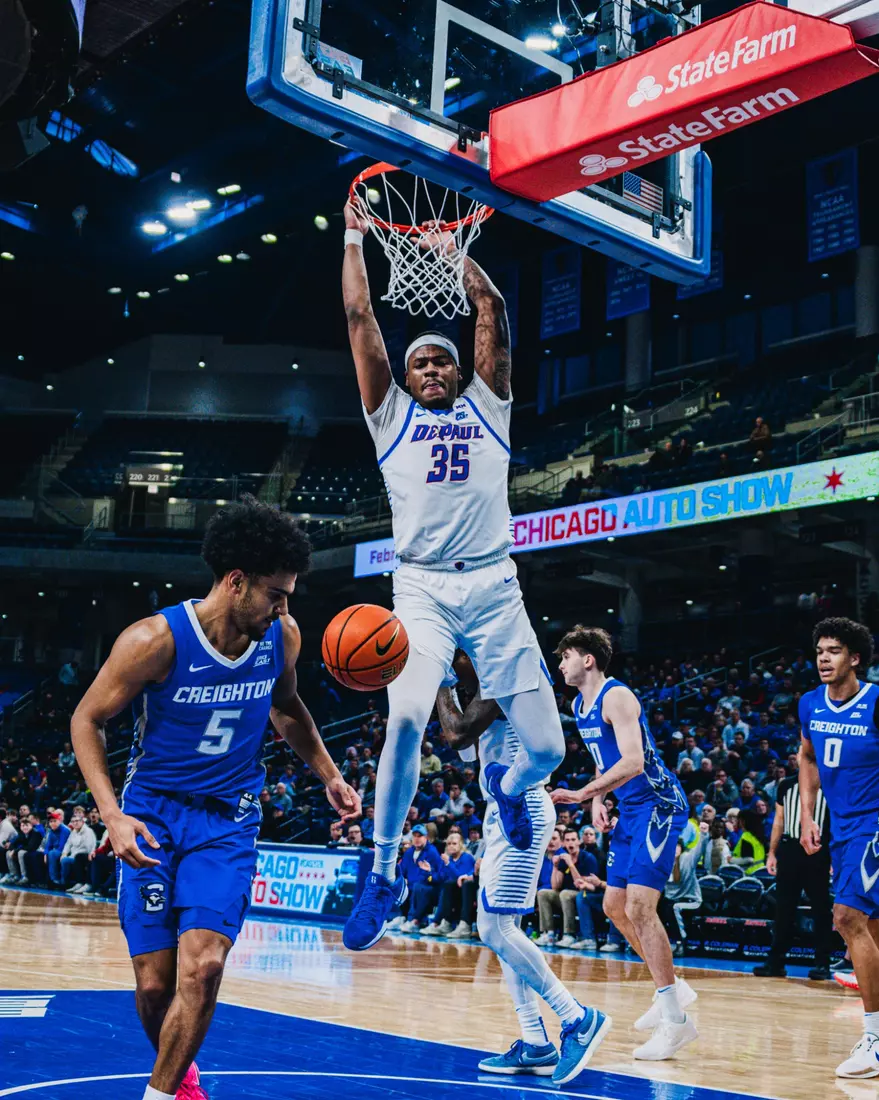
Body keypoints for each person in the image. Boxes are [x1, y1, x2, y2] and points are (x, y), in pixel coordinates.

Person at [70, 497, 361, 1100]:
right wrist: (113, 815)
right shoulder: (153, 640)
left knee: (203, 966)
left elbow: (286, 707)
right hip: (152, 814)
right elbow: (86, 719)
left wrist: (328, 773)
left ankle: (162, 1094)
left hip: (227, 822)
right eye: (276, 593)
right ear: (236, 582)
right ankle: (182, 1074)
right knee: (155, 987)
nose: (285, 606)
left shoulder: (281, 636)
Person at [341, 200, 565, 952]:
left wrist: (448, 254)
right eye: (419, 363)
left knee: (548, 753)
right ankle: (381, 869)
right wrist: (353, 235)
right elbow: (358, 316)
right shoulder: (389, 417)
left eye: (442, 359)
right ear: (405, 378)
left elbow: (491, 307)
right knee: (404, 718)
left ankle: (502, 787)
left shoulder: (489, 405)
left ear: (460, 369)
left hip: (496, 588)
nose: (431, 368)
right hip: (423, 589)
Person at [436, 653, 610, 1086]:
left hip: (524, 806)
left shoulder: (503, 671)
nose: (456, 665)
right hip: (503, 809)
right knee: (501, 927)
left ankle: (577, 1018)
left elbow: (455, 733)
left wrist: (439, 680)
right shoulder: (482, 683)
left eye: (458, 656)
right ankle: (535, 1042)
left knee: (494, 928)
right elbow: (460, 735)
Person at [553, 625, 697, 1060]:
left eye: (566, 657)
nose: (561, 665)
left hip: (658, 803)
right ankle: (673, 986)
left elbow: (634, 761)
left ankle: (675, 1021)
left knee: (639, 906)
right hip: (629, 810)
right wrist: (599, 796)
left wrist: (582, 793)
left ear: (588, 660)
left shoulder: (617, 697)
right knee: (614, 906)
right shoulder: (579, 705)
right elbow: (607, 760)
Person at [798, 616, 879, 1079]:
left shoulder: (875, 701)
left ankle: (874, 1037)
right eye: (819, 651)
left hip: (873, 825)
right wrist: (809, 814)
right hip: (842, 828)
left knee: (846, 918)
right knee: (872, 929)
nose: (823, 659)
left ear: (855, 658)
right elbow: (807, 755)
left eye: (833, 651)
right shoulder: (810, 704)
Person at [753, 753, 831, 980]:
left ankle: (822, 963)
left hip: (818, 850)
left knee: (821, 909)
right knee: (784, 909)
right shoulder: (786, 785)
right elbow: (779, 820)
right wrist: (772, 853)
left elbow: (835, 822)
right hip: (789, 849)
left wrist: (834, 857)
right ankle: (775, 962)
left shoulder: (829, 785)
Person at [535, 827, 598, 948]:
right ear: (564, 843)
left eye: (573, 839)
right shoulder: (563, 858)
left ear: (579, 841)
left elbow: (580, 885)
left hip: (583, 896)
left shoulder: (588, 858)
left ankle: (569, 935)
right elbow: (555, 886)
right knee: (543, 893)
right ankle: (549, 934)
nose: (571, 843)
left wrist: (571, 864)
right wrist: (555, 866)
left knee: (565, 894)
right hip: (565, 898)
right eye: (567, 840)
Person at [421, 830, 477, 938]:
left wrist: (448, 864)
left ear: (460, 844)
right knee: (442, 886)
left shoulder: (466, 857)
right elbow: (440, 877)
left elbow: (460, 877)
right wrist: (429, 873)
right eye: (449, 844)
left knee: (448, 885)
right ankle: (443, 923)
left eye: (454, 843)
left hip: (464, 891)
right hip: (450, 891)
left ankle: (438, 922)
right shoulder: (449, 859)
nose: (451, 846)